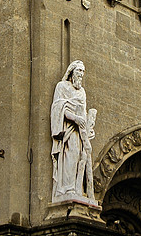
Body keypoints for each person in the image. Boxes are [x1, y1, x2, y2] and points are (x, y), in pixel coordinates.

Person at [50, 60, 95, 202]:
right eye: (79, 71)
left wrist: (89, 129)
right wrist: (74, 118)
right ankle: (66, 188)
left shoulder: (82, 92)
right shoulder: (62, 86)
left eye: (83, 71)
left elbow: (84, 112)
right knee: (70, 154)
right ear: (72, 72)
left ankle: (77, 188)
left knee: (79, 157)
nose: (81, 74)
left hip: (80, 132)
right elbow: (58, 107)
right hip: (68, 130)